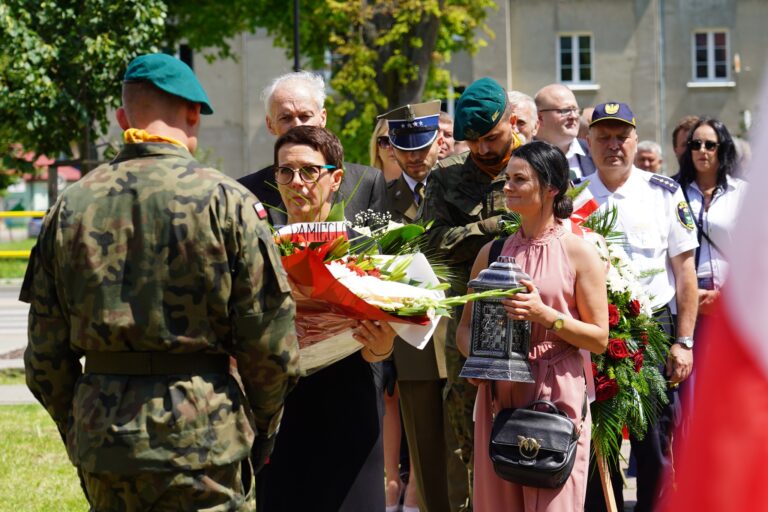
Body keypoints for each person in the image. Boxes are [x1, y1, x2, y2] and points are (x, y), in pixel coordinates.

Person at [21, 53, 301, 511]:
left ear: (121, 117)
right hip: (206, 440)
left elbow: (44, 357)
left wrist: (82, 428)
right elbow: (270, 349)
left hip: (106, 438)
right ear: (193, 113)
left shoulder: (69, 207)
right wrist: (261, 429)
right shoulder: (229, 203)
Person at [456, 140, 609, 510]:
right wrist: (477, 359)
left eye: (519, 179)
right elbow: (464, 328)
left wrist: (546, 316)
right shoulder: (490, 253)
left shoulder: (579, 251)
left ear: (550, 188)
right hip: (500, 392)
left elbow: (600, 338)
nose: (507, 186)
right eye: (507, 179)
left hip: (557, 390)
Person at [257, 125, 396, 512]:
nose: (296, 182)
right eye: (285, 172)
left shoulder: (368, 249)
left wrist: (382, 346)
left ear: (336, 178)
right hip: (283, 409)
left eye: (309, 171)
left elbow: (385, 342)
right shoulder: (259, 245)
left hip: (350, 403)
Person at [582, 102, 698, 512]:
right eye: (603, 137)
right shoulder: (574, 197)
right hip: (597, 333)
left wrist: (683, 340)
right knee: (601, 439)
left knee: (655, 440)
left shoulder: (663, 193)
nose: (613, 146)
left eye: (622, 136)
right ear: (589, 142)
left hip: (655, 329)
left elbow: (685, 273)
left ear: (635, 139)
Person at [419, 76, 523, 509]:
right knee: (465, 417)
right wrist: (490, 230)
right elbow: (429, 244)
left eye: (491, 137)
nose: (482, 149)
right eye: (473, 141)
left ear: (512, 122)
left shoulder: (540, 165)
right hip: (470, 317)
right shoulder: (445, 178)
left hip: (530, 313)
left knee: (530, 415)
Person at [381, 100, 457, 512]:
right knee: (425, 455)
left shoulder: (460, 186)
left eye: (421, 145)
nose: (413, 156)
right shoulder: (381, 197)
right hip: (412, 343)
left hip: (462, 336)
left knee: (468, 450)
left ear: (438, 141)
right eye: (404, 147)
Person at [238, 71, 387, 224]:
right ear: (270, 124)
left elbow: (379, 245)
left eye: (305, 116)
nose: (297, 125)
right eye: (286, 118)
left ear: (323, 118)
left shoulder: (366, 184)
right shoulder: (245, 192)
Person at [675, 117, 748, 360]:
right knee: (689, 378)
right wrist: (689, 294)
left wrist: (724, 295)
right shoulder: (673, 191)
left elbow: (754, 249)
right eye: (695, 145)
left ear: (722, 148)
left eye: (710, 145)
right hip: (686, 294)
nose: (702, 151)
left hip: (732, 294)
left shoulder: (741, 192)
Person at [534, 83, 595, 179]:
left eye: (576, 110)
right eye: (565, 110)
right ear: (540, 117)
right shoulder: (521, 157)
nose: (574, 116)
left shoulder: (595, 151)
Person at [370, 118, 403, 182]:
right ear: (377, 149)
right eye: (385, 141)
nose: (392, 146)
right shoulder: (365, 188)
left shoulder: (424, 186)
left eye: (398, 139)